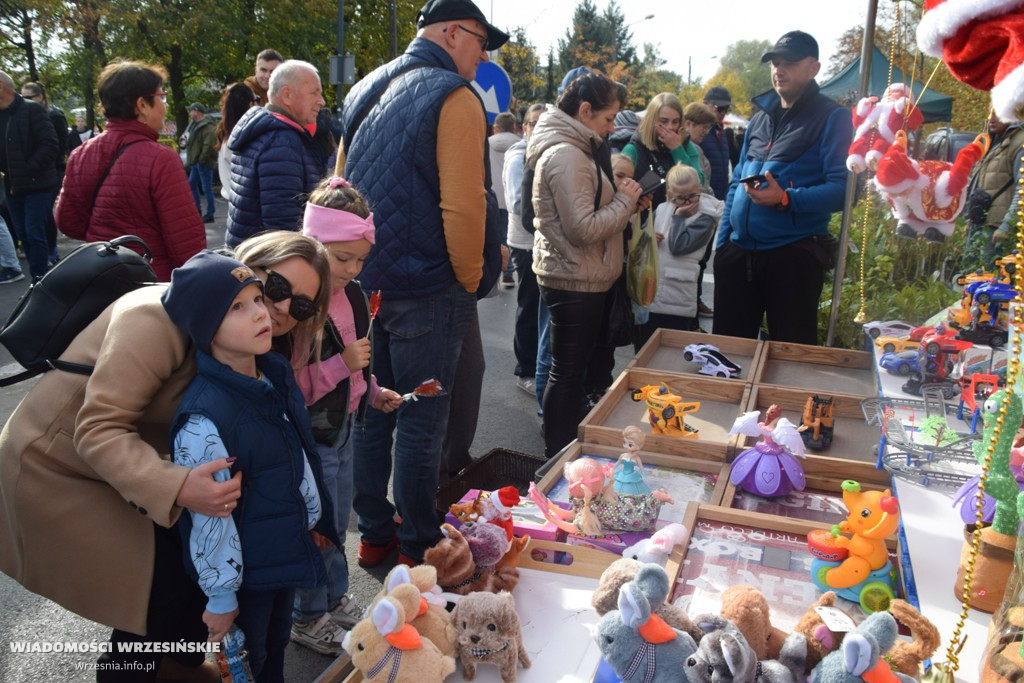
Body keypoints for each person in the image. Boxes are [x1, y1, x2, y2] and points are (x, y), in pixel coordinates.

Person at [0, 229, 332, 681]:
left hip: (134, 462)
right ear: (248, 266)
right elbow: (98, 429)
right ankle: (135, 673)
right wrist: (177, 486)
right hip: (58, 467)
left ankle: (172, 668)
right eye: (275, 287)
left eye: (301, 305)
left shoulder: (249, 335)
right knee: (161, 591)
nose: (279, 308)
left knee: (188, 582)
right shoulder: (154, 318)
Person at [337, 0, 509, 566]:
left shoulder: (363, 88)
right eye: (481, 41)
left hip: (367, 286)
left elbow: (336, 192)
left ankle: (375, 532)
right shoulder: (454, 97)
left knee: (371, 410)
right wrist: (469, 281)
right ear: (452, 32)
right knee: (420, 419)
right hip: (427, 287)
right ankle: (418, 546)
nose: (484, 55)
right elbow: (463, 207)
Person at [164, 250, 339, 682]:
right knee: (248, 661)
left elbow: (299, 456)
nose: (262, 313)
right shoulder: (206, 417)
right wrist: (221, 596)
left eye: (257, 299)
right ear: (207, 327)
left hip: (281, 547)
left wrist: (312, 518)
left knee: (276, 645)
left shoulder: (272, 375)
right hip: (246, 574)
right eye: (238, 308)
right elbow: (210, 515)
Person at [289, 177, 403, 655]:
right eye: (342, 259)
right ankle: (307, 615)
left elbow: (360, 366)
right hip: (311, 438)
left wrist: (372, 391)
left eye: (361, 259)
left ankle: (333, 598)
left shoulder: (354, 293)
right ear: (312, 244)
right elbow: (293, 386)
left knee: (337, 522)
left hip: (343, 430)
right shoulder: (300, 304)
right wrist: (344, 365)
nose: (354, 269)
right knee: (316, 527)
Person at [526, 72, 642, 458]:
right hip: (573, 278)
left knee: (571, 374)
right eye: (609, 119)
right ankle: (558, 455)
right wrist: (624, 203)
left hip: (579, 274)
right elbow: (582, 229)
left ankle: (563, 452)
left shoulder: (576, 147)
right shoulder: (567, 154)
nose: (612, 128)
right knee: (566, 374)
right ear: (585, 110)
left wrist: (624, 204)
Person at [713, 30, 852, 345]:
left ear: (813, 68)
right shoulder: (759, 118)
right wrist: (723, 246)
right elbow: (737, 183)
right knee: (726, 354)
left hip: (792, 255)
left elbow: (844, 190)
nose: (779, 69)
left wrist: (786, 198)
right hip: (739, 254)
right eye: (775, 62)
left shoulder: (833, 118)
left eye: (789, 62)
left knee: (791, 357)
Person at [57, 60, 206, 281]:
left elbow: (67, 221)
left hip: (103, 279)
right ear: (142, 105)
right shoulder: (161, 159)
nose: (165, 106)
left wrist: (105, 237)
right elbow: (186, 242)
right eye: (161, 97)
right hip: (154, 282)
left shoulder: (80, 154)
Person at [226, 59, 327, 247]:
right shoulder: (281, 141)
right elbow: (284, 228)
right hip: (269, 265)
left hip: (250, 259)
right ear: (287, 95)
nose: (322, 101)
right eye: (314, 93)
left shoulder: (266, 132)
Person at [636, 165, 723, 347]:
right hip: (654, 290)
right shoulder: (662, 208)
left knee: (671, 349)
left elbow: (678, 246)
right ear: (670, 193)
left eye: (692, 195)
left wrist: (679, 217)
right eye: (680, 198)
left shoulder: (706, 216)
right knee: (645, 347)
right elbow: (644, 241)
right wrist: (649, 237)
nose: (687, 202)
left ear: (699, 189)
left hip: (679, 297)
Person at [0, 70, 59, 280]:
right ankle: (39, 281)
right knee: (23, 234)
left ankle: (40, 281)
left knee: (34, 233)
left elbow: (50, 145)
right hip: (13, 187)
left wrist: (27, 169)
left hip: (38, 184)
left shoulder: (31, 110)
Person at [505, 103, 544, 397]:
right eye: (533, 123)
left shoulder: (545, 153)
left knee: (542, 309)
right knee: (529, 307)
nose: (538, 128)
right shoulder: (519, 157)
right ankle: (525, 370)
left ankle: (537, 367)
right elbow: (519, 205)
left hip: (543, 241)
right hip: (525, 242)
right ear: (524, 127)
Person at [621, 92, 705, 211]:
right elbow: (618, 189)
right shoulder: (634, 148)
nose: (670, 127)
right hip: (644, 221)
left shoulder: (687, 146)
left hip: (681, 219)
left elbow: (699, 182)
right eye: (664, 121)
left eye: (675, 122)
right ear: (651, 121)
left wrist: (677, 150)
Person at [964, 111, 1024, 269]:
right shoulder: (992, 140)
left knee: (992, 282)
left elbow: (1022, 189)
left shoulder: (1020, 142)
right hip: (980, 223)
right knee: (970, 277)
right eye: (990, 112)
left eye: (998, 113)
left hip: (997, 228)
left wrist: (1006, 226)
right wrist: (970, 216)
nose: (992, 118)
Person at [21, 81, 68, 264]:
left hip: (52, 171)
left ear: (40, 97)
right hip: (32, 174)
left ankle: (52, 250)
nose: (24, 101)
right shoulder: (23, 117)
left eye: (28, 98)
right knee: (38, 217)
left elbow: (57, 146)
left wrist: (37, 163)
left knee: (45, 213)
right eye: (22, 97)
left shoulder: (55, 116)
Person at [682, 101, 720, 316]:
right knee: (695, 265)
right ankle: (693, 309)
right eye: (703, 127)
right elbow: (696, 182)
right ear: (689, 123)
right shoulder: (689, 149)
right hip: (696, 214)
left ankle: (694, 307)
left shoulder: (695, 148)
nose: (706, 132)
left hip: (703, 212)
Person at [490, 111, 520, 289]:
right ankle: (508, 273)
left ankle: (493, 274)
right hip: (512, 196)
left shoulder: (486, 143)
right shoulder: (520, 144)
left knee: (493, 236)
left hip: (492, 196)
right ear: (514, 127)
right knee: (508, 236)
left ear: (496, 128)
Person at [215, 82, 260, 201]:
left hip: (233, 203)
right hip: (243, 204)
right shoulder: (245, 140)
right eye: (257, 100)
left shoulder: (225, 135)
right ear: (251, 104)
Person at [700, 85, 740, 201]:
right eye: (719, 108)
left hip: (720, 199)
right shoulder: (697, 132)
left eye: (726, 109)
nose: (723, 113)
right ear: (705, 104)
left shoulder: (722, 132)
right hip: (703, 201)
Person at [184, 102, 217, 223]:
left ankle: (210, 213)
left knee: (206, 188)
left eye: (191, 110)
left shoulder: (207, 126)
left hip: (203, 162)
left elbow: (208, 145)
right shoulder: (194, 125)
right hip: (196, 162)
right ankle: (197, 209)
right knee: (191, 185)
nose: (190, 113)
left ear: (196, 111)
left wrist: (202, 160)